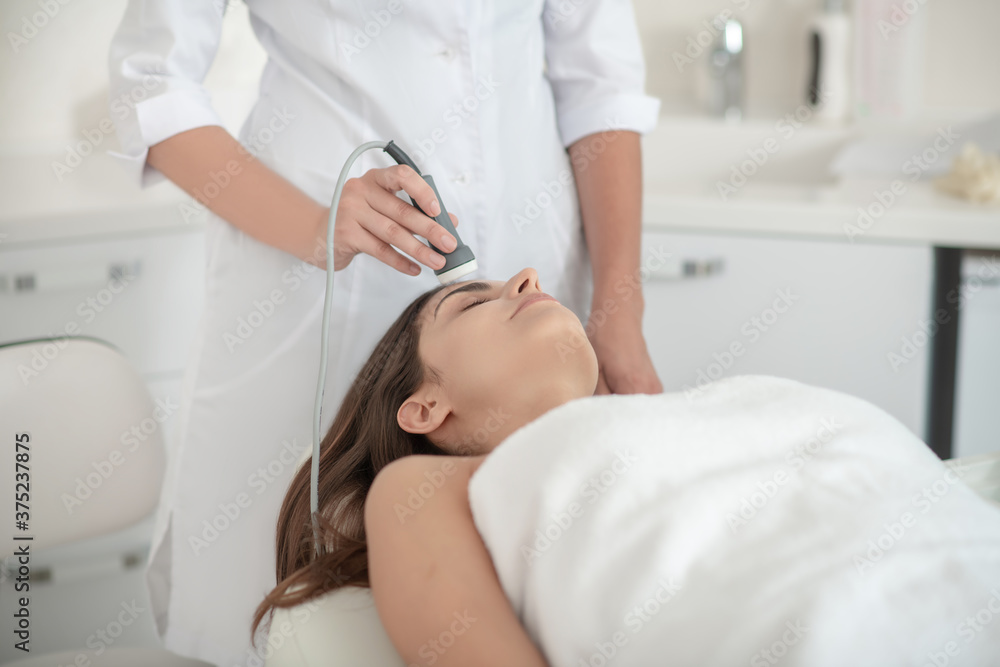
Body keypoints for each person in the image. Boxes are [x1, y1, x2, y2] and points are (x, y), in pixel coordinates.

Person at [107, 1, 663, 664]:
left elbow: (600, 84)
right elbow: (153, 84)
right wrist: (317, 228)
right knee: (291, 611)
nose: (524, 282)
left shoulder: (551, 329)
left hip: (527, 221)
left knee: (546, 571)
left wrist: (619, 307)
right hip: (310, 277)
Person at [257, 267, 1000, 666]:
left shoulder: (696, 414)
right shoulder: (422, 488)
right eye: (471, 303)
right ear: (424, 408)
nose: (525, 277)